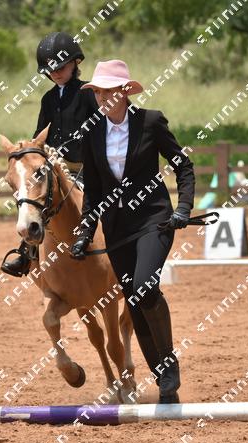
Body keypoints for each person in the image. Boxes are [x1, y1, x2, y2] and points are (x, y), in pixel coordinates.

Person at [69, 60, 195, 404]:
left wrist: (184, 207)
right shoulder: (92, 132)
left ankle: (169, 369)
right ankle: (163, 379)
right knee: (135, 302)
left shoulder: (150, 121)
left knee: (143, 287)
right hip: (117, 230)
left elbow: (183, 166)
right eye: (98, 92)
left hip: (154, 220)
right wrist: (84, 233)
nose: (102, 98)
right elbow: (93, 189)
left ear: (125, 92)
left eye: (108, 91)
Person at [1, 31, 98, 277]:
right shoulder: (48, 99)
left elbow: (100, 128)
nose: (55, 73)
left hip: (88, 166)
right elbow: (39, 135)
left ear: (75, 62)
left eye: (60, 67)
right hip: (57, 167)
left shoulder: (88, 93)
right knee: (36, 199)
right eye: (50, 70)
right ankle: (27, 253)